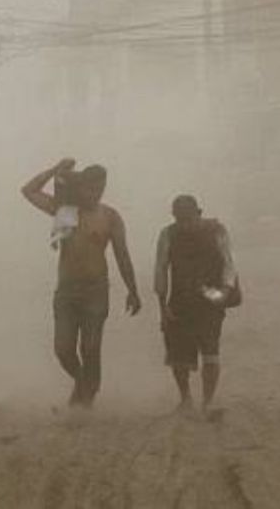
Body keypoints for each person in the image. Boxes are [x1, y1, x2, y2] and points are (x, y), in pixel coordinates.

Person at [22, 158, 142, 409]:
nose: (95, 194)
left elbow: (122, 255)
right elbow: (29, 191)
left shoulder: (110, 216)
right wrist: (55, 169)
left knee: (91, 346)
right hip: (66, 291)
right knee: (63, 349)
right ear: (80, 187)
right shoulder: (65, 212)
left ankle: (86, 398)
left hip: (95, 290)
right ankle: (83, 382)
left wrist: (133, 289)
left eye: (100, 189)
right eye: (91, 189)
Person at [154, 194, 237, 416]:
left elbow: (228, 263)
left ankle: (207, 402)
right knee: (178, 356)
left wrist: (225, 292)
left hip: (209, 300)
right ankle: (185, 399)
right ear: (174, 218)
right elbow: (161, 269)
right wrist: (163, 307)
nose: (185, 225)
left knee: (211, 350)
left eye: (189, 219)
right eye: (180, 220)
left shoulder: (217, 231)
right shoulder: (168, 234)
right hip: (180, 301)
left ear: (199, 214)